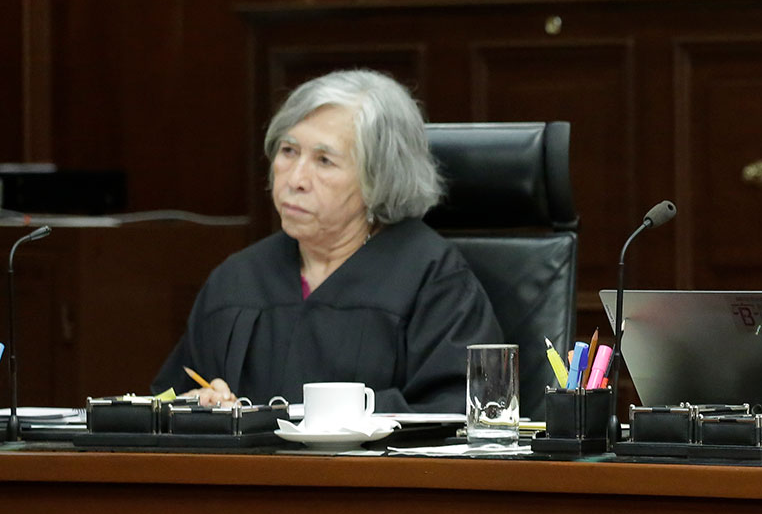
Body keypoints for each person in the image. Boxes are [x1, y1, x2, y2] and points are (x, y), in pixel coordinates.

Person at [152, 69, 502, 412]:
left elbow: (463, 411)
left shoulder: (432, 280)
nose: (296, 179)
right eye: (288, 151)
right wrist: (192, 409)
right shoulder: (238, 279)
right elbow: (164, 400)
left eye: (324, 160)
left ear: (379, 178)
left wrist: (344, 418)